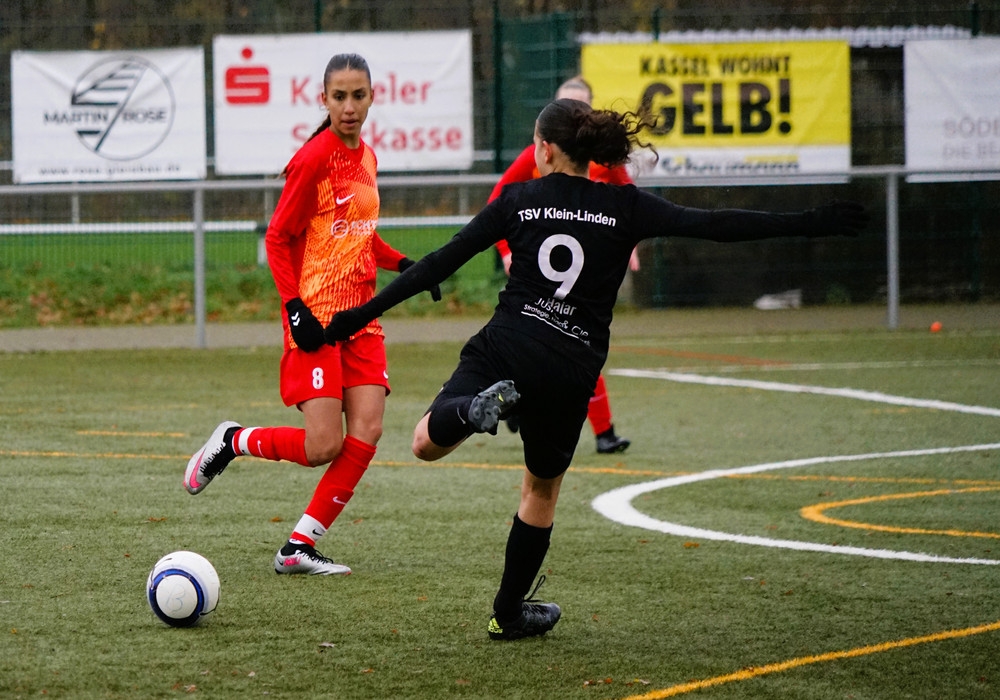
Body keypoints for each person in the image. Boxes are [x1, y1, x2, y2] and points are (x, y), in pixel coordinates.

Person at [324, 97, 868, 639]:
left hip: (507, 348)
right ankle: (509, 613)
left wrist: (358, 315)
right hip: (569, 366)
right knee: (539, 492)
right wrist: (810, 221)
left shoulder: (518, 200)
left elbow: (441, 261)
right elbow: (716, 224)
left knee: (423, 441)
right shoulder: (626, 206)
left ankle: (470, 410)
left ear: (545, 148)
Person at [183, 53, 439, 576]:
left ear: (372, 98)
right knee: (325, 444)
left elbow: (358, 235)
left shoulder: (367, 157)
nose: (349, 106)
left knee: (366, 431)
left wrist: (405, 264)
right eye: (339, 96)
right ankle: (234, 440)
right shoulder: (314, 158)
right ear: (323, 100)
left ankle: (298, 546)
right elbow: (278, 237)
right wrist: (294, 307)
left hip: (362, 318)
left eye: (358, 95)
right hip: (316, 317)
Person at [490, 76, 634, 454]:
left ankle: (525, 403)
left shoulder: (605, 159)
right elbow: (498, 201)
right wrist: (507, 251)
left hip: (585, 269)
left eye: (580, 108)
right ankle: (596, 430)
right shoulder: (536, 156)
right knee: (562, 341)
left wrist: (629, 244)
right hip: (542, 267)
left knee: (571, 343)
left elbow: (630, 202)